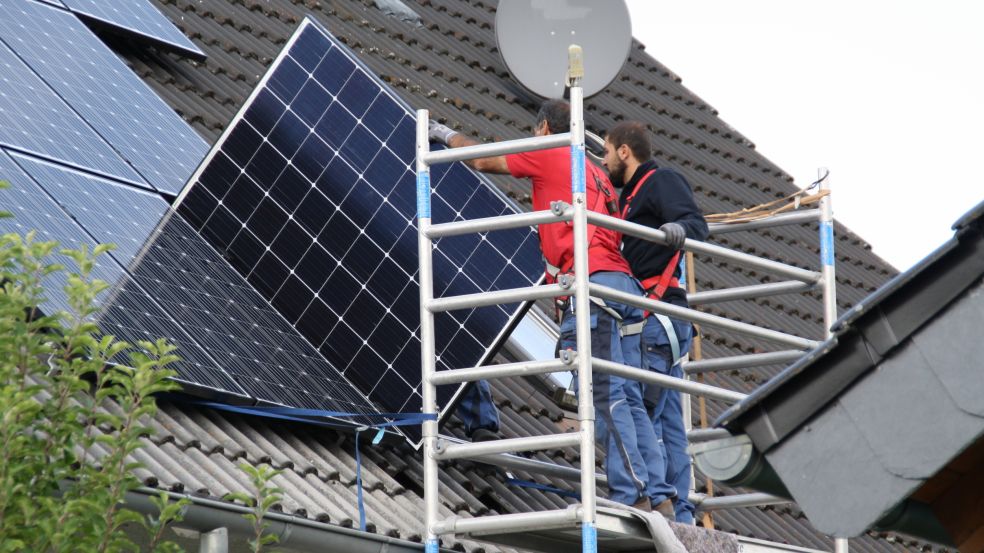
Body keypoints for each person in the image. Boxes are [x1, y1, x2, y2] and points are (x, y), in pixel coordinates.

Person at [429, 100, 662, 511]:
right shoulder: (594, 170)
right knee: (627, 394)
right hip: (622, 286)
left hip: (594, 287)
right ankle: (659, 496)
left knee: (604, 395)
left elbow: (483, 161)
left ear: (542, 128)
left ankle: (632, 495)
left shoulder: (552, 149)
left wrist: (443, 135)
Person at [602, 121, 709, 524]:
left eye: (608, 152)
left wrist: (679, 230)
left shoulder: (660, 181)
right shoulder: (628, 197)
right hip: (663, 319)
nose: (605, 160)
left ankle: (659, 498)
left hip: (656, 315)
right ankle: (680, 512)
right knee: (667, 421)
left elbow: (696, 224)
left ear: (625, 151)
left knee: (640, 409)